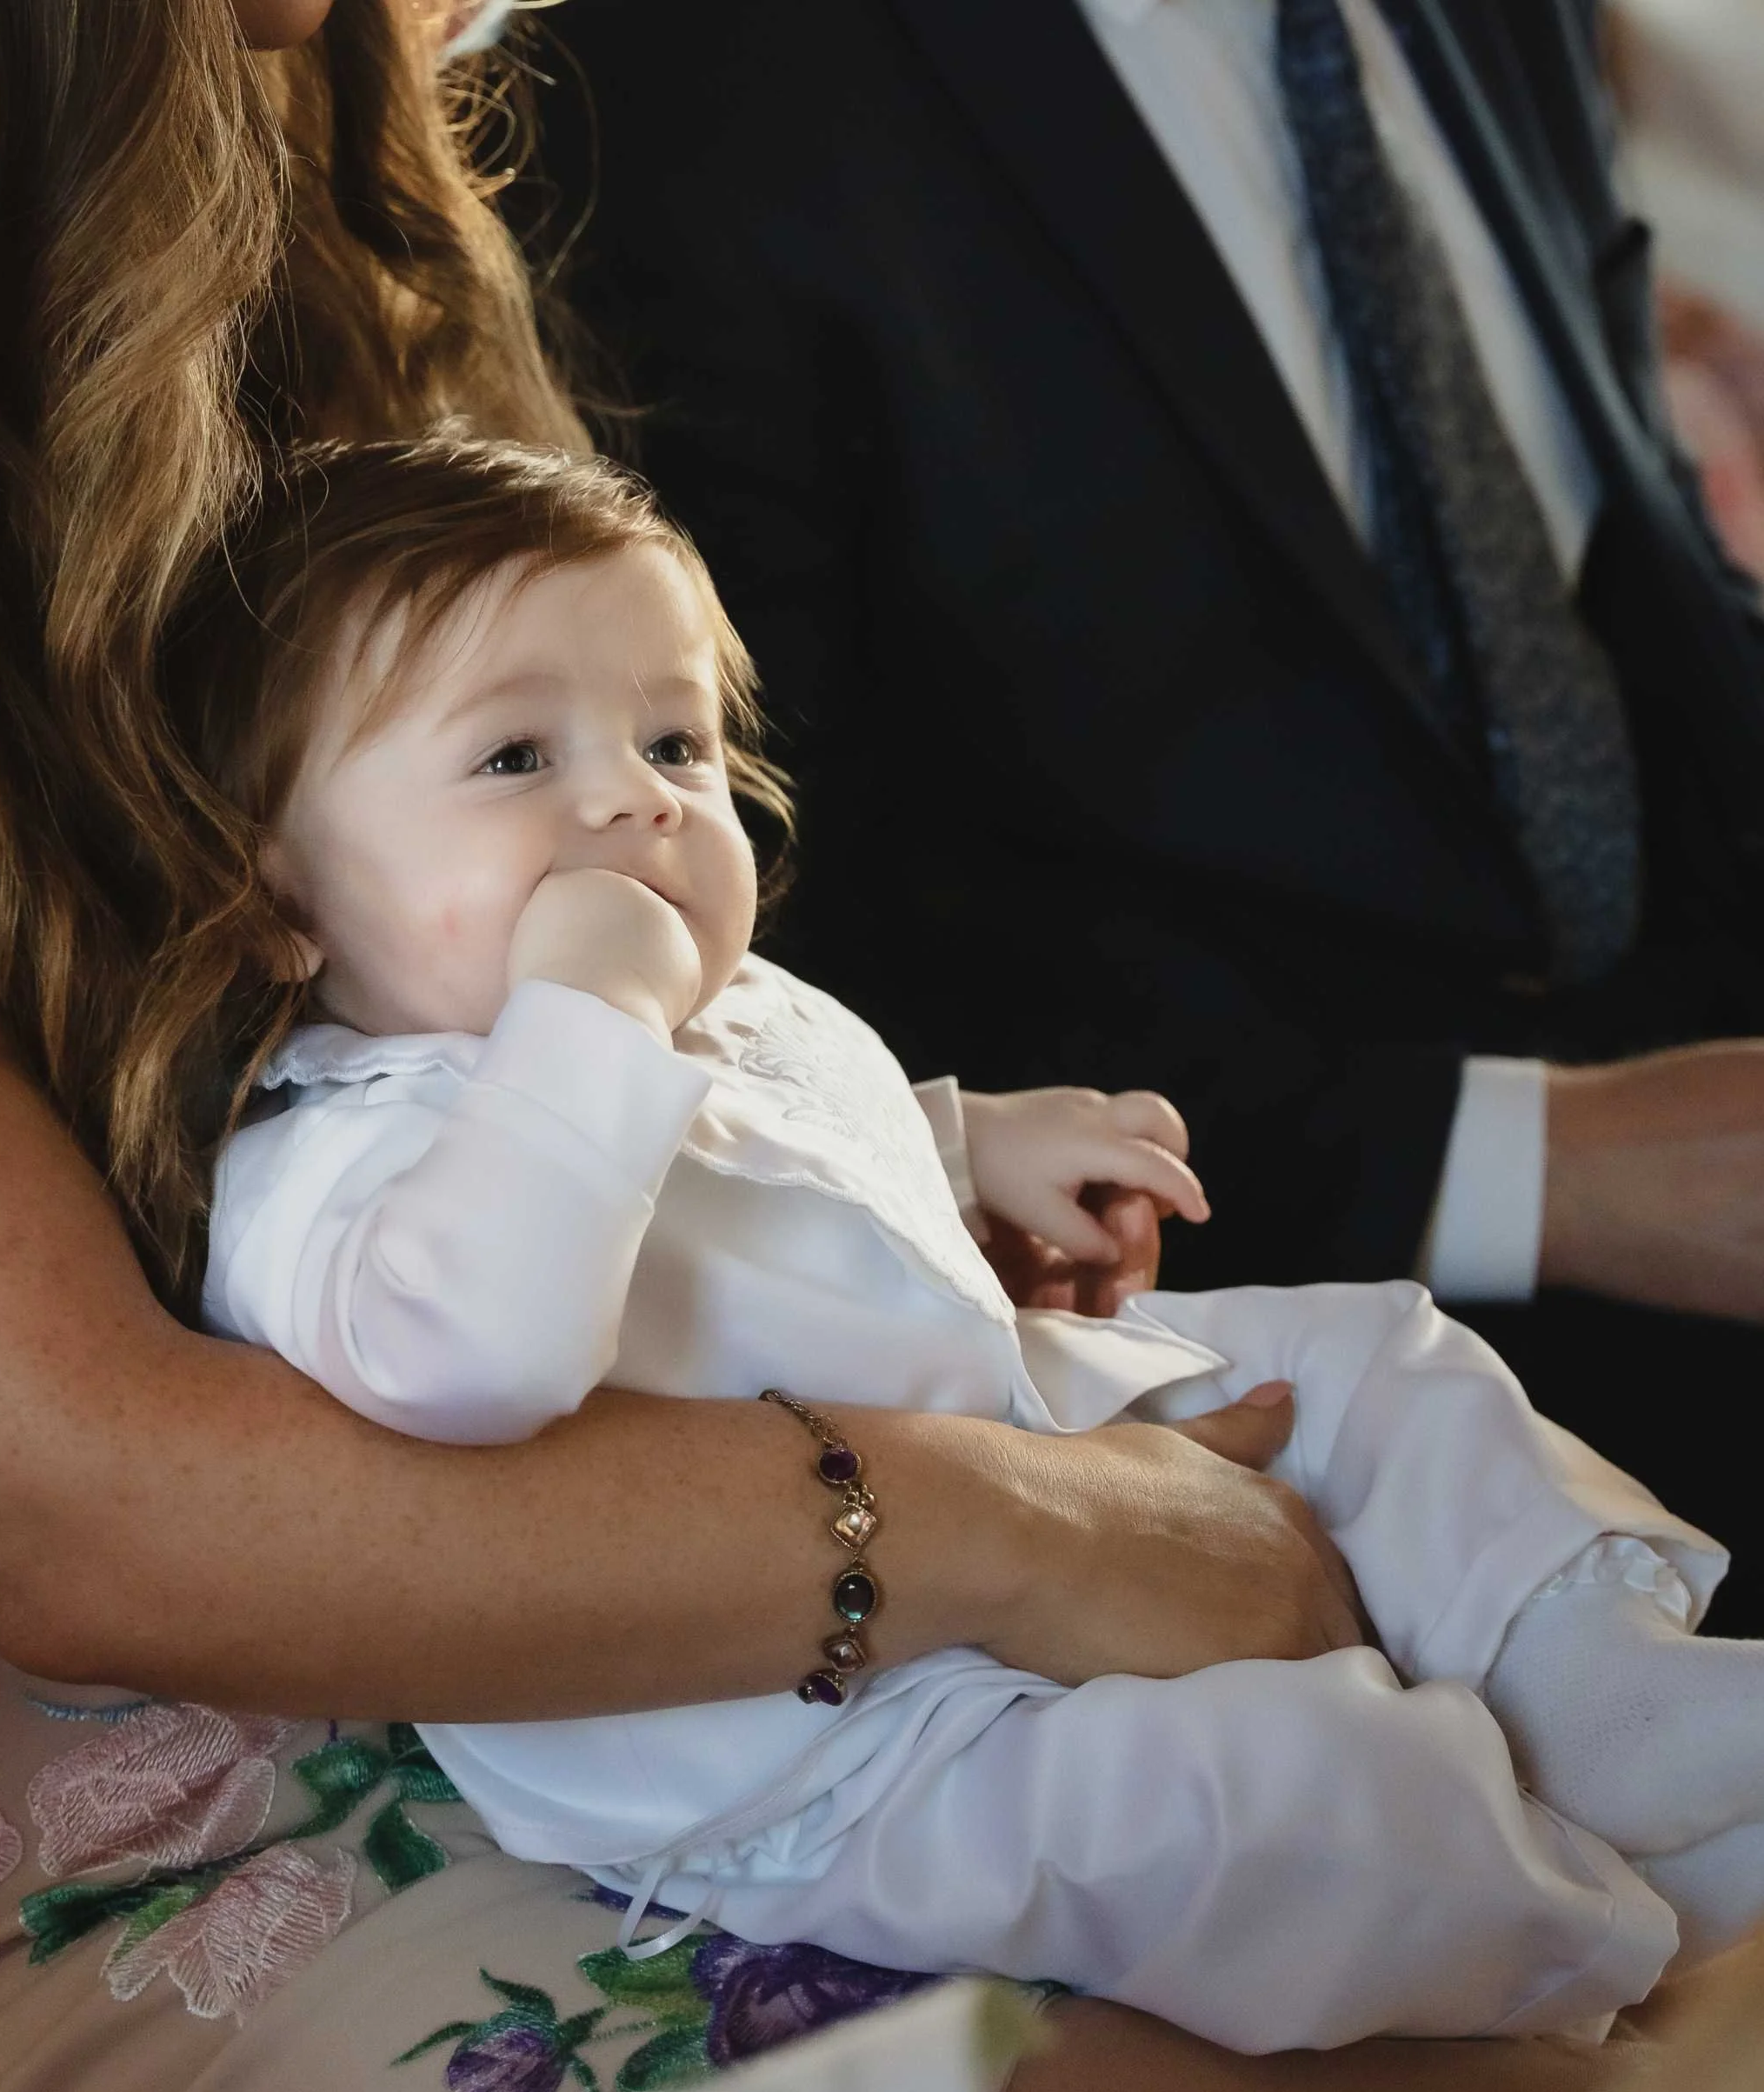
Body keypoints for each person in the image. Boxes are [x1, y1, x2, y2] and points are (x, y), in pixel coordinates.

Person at [0, 2, 1656, 2092]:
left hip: (524, 1537)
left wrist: (914, 1175)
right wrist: (1017, 1526)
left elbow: (696, 1033)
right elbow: (109, 1511)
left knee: (1593, 1999)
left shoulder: (298, 182)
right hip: (55, 1778)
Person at [189, 427, 1754, 2054]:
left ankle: (1611, 1703)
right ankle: (1575, 1927)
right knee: (1237, 1815)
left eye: (678, 740)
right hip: (796, 1732)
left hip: (993, 1419)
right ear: (276, 893)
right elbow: (474, 1357)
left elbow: (782, 1141)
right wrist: (591, 1011)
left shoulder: (685, 1003)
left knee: (1377, 1358)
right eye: (514, 759)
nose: (630, 803)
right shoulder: (316, 1159)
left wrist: (969, 1140)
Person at [528, 0, 1764, 1627]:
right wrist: (1546, 1166)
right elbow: (769, 949)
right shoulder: (669, 88)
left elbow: (1619, 589)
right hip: (1227, 1327)